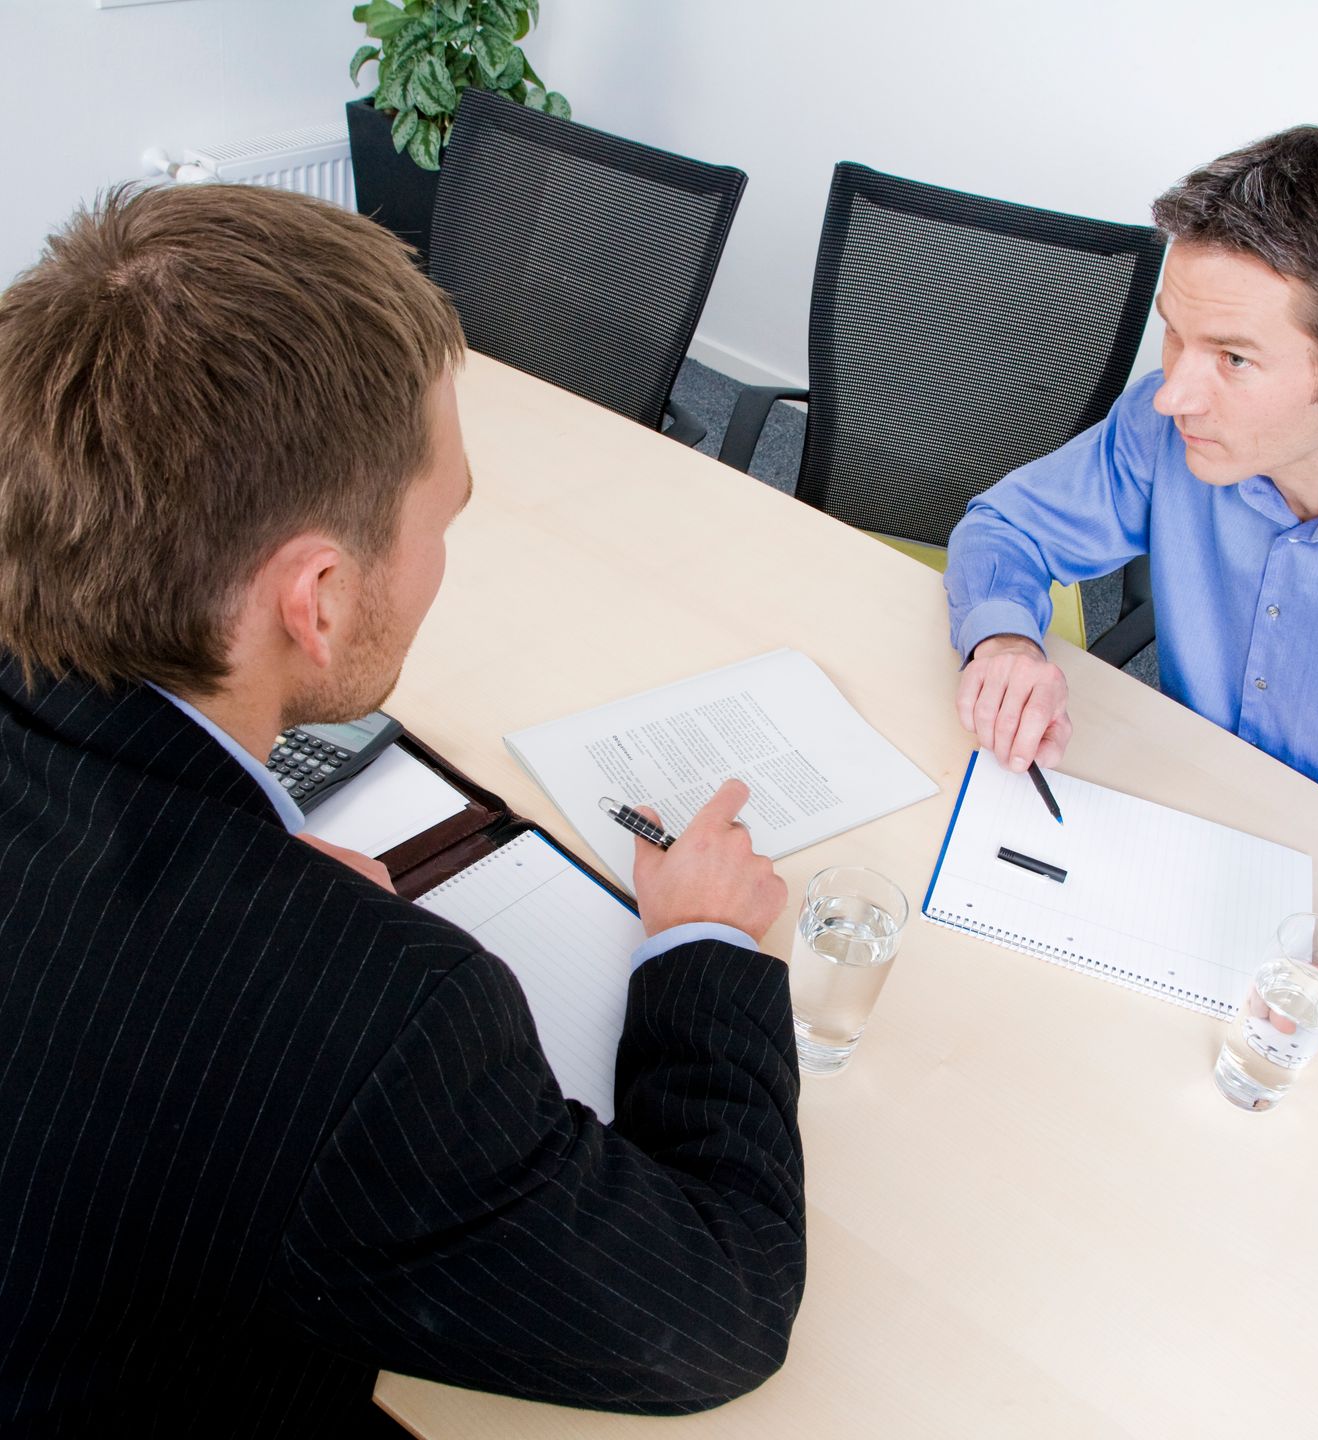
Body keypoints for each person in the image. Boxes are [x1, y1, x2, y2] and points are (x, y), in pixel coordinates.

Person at [0, 183, 804, 1436]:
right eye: (444, 520)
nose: (441, 564)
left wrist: (259, 883)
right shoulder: (375, 1020)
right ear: (313, 598)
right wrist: (703, 950)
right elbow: (715, 1310)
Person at [945, 125, 1318, 1073]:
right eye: (1174, 332)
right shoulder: (1168, 427)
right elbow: (1004, 530)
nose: (1174, 391)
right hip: (1165, 867)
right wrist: (1005, 641)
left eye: (1234, 358)